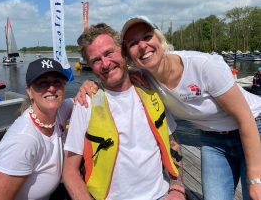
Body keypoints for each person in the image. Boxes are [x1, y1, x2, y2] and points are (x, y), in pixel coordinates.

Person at [79, 16, 261, 200]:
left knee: (255, 194)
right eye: (133, 43)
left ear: (159, 38)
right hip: (213, 139)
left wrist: (255, 180)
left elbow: (245, 117)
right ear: (128, 54)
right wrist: (90, 83)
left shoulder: (203, 66)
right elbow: (114, 75)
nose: (142, 46)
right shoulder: (145, 77)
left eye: (147, 36)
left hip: (254, 126)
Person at [62, 23, 186, 200]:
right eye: (96, 60)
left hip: (162, 195)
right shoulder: (86, 102)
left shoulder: (151, 90)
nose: (105, 64)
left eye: (109, 53)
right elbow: (70, 171)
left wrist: (177, 188)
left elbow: (172, 143)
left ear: (123, 51)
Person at [0, 58, 73, 200]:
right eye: (42, 83)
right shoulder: (23, 141)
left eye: (57, 82)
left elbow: (81, 100)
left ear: (64, 87)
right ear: (29, 91)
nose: (51, 88)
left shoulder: (59, 111)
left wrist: (90, 84)